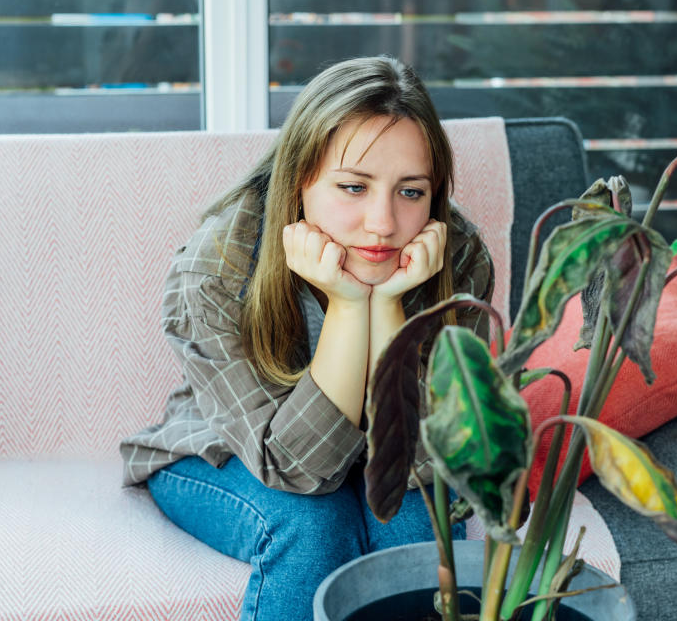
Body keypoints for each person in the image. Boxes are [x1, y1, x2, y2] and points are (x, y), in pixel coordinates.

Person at [120, 55, 494, 620]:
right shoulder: (217, 266)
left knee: (420, 525)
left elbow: (428, 465)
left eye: (410, 192)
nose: (383, 223)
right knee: (314, 526)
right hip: (223, 453)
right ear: (300, 179)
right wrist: (348, 307)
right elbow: (294, 470)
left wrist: (389, 303)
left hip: (367, 460)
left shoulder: (455, 256)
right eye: (353, 186)